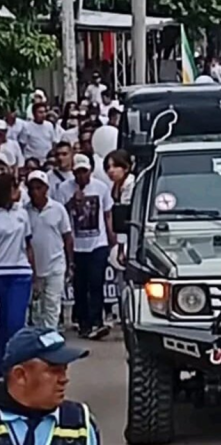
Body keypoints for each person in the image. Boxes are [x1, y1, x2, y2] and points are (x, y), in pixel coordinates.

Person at [0, 327, 101, 444]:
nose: (64, 379)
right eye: (54, 371)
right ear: (20, 375)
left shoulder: (79, 422)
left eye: (64, 369)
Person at [57, 154, 115, 340]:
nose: (81, 176)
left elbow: (107, 214)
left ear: (90, 171)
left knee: (96, 283)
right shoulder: (64, 189)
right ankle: (84, 323)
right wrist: (73, 202)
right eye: (78, 172)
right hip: (77, 244)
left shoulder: (101, 187)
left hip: (98, 243)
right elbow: (59, 214)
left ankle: (97, 321)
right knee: (80, 286)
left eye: (84, 172)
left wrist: (112, 239)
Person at [25, 171, 73, 330]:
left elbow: (67, 236)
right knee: (36, 309)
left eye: (38, 188)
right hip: (33, 268)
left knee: (52, 305)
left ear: (46, 189)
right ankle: (38, 339)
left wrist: (70, 263)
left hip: (55, 265)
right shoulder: (25, 212)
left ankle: (51, 338)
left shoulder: (58, 209)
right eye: (31, 188)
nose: (35, 192)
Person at [0, 173, 34, 361]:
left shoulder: (22, 213)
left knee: (15, 323)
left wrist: (33, 270)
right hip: (1, 272)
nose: (19, 191)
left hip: (20, 274)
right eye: (15, 187)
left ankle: (13, 362)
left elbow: (28, 244)